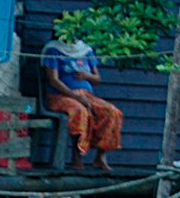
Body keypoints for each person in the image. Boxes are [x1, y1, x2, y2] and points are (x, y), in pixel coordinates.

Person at [42, 38, 123, 172]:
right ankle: (77, 156)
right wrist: (75, 97)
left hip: (87, 96)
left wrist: (87, 75)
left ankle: (100, 157)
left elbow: (97, 79)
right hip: (61, 96)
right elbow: (53, 81)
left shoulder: (85, 51)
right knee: (80, 111)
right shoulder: (53, 50)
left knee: (112, 112)